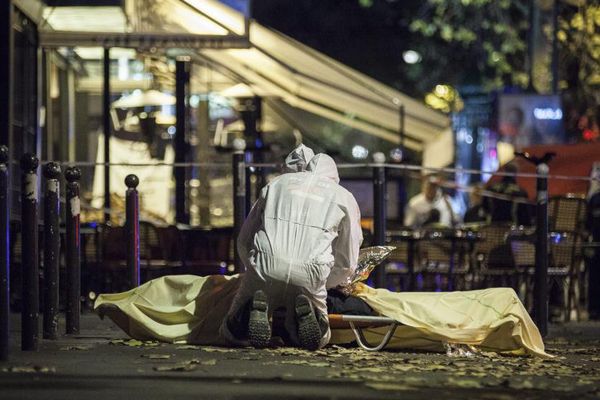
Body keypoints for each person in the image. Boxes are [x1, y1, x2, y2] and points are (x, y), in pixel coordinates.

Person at [220, 145, 363, 350]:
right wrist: (332, 282)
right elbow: (347, 257)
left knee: (229, 333)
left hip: (264, 264)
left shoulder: (275, 184)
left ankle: (248, 312)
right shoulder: (343, 196)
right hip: (312, 271)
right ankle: (309, 318)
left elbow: (244, 239)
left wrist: (253, 268)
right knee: (322, 338)